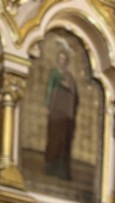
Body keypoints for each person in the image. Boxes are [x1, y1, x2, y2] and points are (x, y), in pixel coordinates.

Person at [44, 48, 78, 180]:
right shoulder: (54, 74)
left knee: (64, 142)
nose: (62, 62)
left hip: (66, 114)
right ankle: (50, 166)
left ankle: (62, 169)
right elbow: (49, 90)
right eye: (60, 59)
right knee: (54, 138)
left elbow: (74, 94)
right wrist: (49, 105)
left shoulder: (69, 77)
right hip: (56, 112)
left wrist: (68, 86)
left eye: (64, 59)